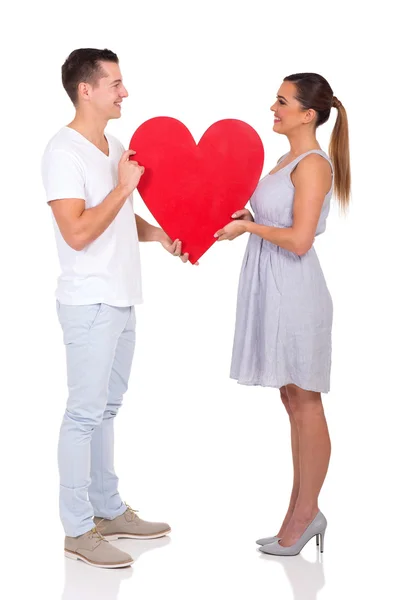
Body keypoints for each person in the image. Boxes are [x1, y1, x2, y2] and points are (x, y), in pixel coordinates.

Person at [41, 48, 189, 569]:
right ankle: (78, 530)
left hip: (123, 298)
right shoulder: (64, 152)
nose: (125, 92)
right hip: (89, 303)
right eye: (116, 84)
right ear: (87, 89)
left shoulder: (115, 145)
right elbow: (78, 231)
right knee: (82, 415)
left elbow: (123, 221)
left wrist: (163, 235)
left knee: (106, 410)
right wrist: (126, 186)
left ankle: (106, 509)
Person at [215, 73, 351, 556]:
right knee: (292, 402)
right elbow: (274, 222)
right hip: (272, 286)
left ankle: (306, 514)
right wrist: (240, 219)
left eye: (282, 101)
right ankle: (298, 512)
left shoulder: (312, 165)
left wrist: (248, 226)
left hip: (295, 291)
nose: (273, 108)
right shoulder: (283, 161)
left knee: (307, 403)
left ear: (307, 114)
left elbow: (298, 240)